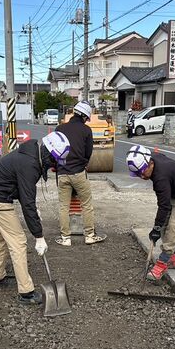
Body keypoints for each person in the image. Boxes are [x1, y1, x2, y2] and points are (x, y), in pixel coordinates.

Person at [0, 131, 70, 305]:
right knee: (18, 241)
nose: (53, 167)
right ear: (49, 155)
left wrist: (33, 209)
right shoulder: (30, 164)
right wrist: (39, 236)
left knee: (2, 238)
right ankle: (26, 292)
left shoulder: (33, 153)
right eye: (54, 161)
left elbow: (24, 193)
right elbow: (26, 202)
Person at [126, 144, 175, 282]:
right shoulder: (152, 159)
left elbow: (163, 206)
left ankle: (162, 263)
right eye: (138, 174)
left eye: (142, 172)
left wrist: (155, 228)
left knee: (173, 226)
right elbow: (164, 207)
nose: (142, 176)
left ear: (150, 164)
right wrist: (158, 227)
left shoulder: (161, 178)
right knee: (163, 226)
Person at [53, 101, 106, 246]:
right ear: (84, 116)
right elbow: (88, 153)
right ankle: (89, 235)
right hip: (78, 173)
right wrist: (82, 163)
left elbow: (53, 151)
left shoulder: (59, 128)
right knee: (87, 204)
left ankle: (65, 238)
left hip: (62, 173)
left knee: (64, 207)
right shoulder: (86, 130)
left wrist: (56, 166)